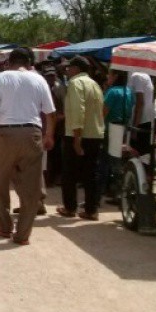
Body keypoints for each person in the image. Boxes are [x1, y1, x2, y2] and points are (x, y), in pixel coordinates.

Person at [0, 48, 55, 245]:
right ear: (29, 63)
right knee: (31, 187)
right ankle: (22, 235)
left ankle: (4, 227)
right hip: (32, 134)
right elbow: (50, 113)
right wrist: (49, 135)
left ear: (9, 61)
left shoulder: (1, 78)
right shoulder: (39, 79)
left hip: (6, 134)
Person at [56, 56, 105, 220]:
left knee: (70, 173)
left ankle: (70, 207)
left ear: (76, 68)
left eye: (69, 67)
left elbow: (78, 110)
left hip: (78, 135)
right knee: (91, 174)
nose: (67, 70)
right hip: (95, 135)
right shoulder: (95, 84)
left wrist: (77, 138)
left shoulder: (76, 83)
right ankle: (92, 210)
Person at [100, 70, 134, 201]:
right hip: (123, 128)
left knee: (107, 161)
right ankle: (117, 189)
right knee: (118, 159)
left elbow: (103, 112)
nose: (107, 77)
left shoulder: (112, 92)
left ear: (116, 77)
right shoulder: (129, 92)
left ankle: (110, 190)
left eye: (110, 74)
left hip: (110, 128)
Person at [42, 65, 65, 187]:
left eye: (52, 76)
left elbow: (64, 111)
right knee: (47, 155)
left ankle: (55, 178)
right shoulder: (42, 89)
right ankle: (47, 179)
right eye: (48, 76)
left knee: (55, 155)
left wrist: (57, 119)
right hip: (45, 126)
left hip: (57, 127)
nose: (51, 78)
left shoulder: (59, 88)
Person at [128, 71, 156, 156]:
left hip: (141, 120)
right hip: (146, 118)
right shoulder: (145, 75)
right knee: (144, 154)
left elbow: (140, 102)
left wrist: (134, 128)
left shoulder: (137, 76)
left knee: (138, 153)